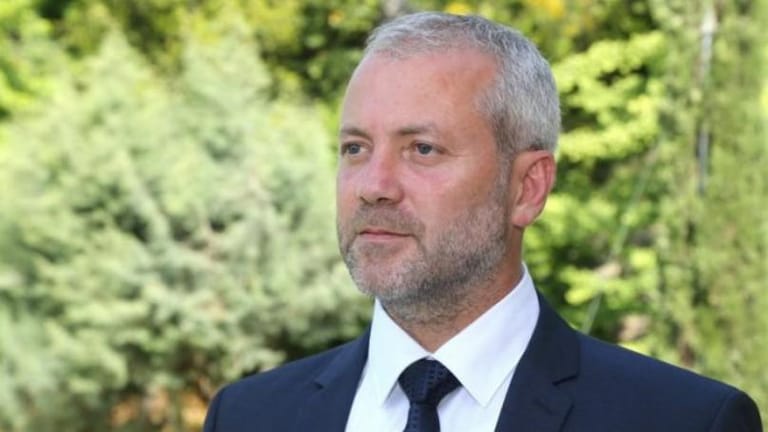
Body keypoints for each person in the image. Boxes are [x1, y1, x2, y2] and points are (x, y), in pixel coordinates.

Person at [203, 11, 762, 432]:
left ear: (527, 188)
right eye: (355, 148)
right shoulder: (248, 416)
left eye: (422, 149)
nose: (373, 185)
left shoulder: (683, 420)